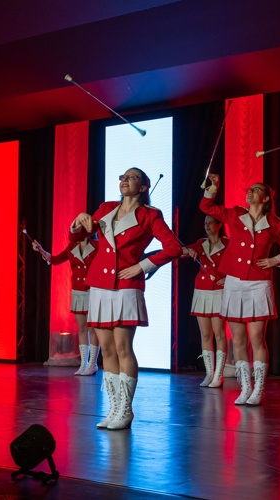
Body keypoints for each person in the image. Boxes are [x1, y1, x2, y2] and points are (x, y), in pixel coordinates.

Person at [71, 167, 183, 430]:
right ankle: (112, 409)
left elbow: (174, 247)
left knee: (123, 348)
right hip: (99, 283)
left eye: (131, 177)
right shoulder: (105, 208)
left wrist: (143, 266)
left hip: (126, 285)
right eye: (122, 176)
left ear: (143, 187)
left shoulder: (150, 215)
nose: (124, 180)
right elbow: (77, 236)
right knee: (106, 350)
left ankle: (125, 410)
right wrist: (78, 221)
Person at [200, 174, 280, 406]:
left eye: (255, 190)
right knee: (239, 339)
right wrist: (213, 188)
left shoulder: (274, 223)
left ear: (265, 198)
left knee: (257, 338)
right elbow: (206, 206)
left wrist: (276, 260)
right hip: (234, 282)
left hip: (258, 283)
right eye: (249, 189)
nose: (250, 192)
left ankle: (258, 389)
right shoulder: (234, 214)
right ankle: (245, 388)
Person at [32, 235, 101, 376]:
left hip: (93, 290)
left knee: (93, 329)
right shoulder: (72, 247)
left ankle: (93, 364)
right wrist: (41, 251)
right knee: (82, 328)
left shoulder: (98, 245)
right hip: (78, 291)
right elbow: (56, 260)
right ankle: (83, 364)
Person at [181, 215, 229, 387]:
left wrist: (228, 279)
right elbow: (181, 251)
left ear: (219, 224)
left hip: (219, 291)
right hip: (202, 291)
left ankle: (219, 374)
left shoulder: (228, 243)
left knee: (219, 333)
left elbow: (238, 265)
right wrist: (189, 251)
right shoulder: (201, 243)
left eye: (210, 223)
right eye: (205, 223)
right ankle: (209, 373)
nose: (207, 226)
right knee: (206, 334)